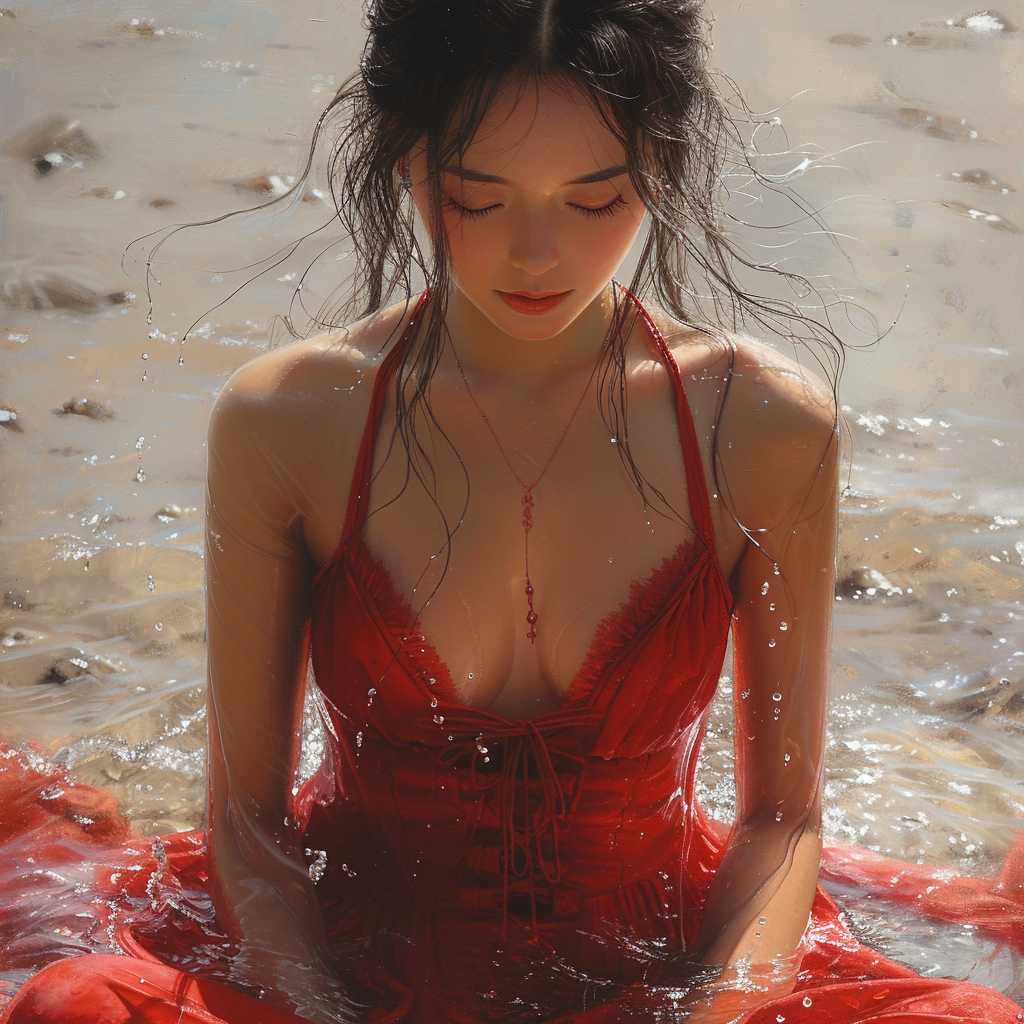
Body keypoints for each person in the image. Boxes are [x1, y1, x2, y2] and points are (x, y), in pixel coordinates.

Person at [1, 2, 1023, 1022]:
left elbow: (780, 819)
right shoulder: (290, 418)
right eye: (478, 199)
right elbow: (248, 821)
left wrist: (705, 1014)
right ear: (401, 158)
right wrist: (320, 1012)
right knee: (75, 1009)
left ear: (659, 166)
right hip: (349, 957)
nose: (538, 255)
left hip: (657, 963)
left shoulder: (758, 423)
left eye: (595, 199)